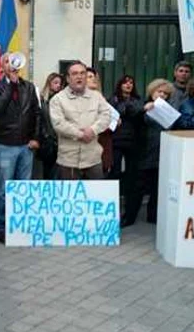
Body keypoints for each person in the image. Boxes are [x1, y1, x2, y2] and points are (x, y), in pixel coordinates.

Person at [0, 52, 40, 243]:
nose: (11, 64)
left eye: (13, 61)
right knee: (4, 189)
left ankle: (21, 224)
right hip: (5, 144)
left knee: (23, 188)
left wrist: (35, 137)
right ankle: (2, 226)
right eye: (7, 61)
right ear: (2, 67)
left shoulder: (29, 87)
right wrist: (10, 85)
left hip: (26, 145)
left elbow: (37, 113)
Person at [122, 79, 174, 226]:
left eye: (165, 93)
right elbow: (132, 117)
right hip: (143, 151)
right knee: (137, 187)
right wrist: (144, 109)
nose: (162, 95)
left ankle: (153, 216)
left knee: (157, 187)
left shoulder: (168, 108)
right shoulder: (141, 104)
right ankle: (129, 216)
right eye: (159, 92)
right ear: (152, 92)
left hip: (161, 151)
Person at [49, 60, 111, 180]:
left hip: (93, 158)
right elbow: (59, 124)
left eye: (82, 73)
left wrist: (92, 130)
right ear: (67, 78)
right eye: (75, 74)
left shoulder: (97, 97)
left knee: (96, 195)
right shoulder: (58, 100)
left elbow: (106, 116)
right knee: (71, 197)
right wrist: (80, 134)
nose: (79, 77)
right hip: (69, 160)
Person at [109, 75, 144, 212]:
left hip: (133, 140)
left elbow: (138, 115)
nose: (128, 85)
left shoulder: (137, 100)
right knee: (115, 172)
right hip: (117, 140)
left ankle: (128, 206)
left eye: (131, 82)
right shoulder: (113, 99)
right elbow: (118, 112)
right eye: (125, 83)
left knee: (131, 174)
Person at [38, 72, 63, 180]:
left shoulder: (62, 99)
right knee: (47, 172)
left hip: (60, 140)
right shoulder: (41, 100)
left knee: (59, 172)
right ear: (49, 83)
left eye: (60, 83)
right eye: (55, 82)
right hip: (47, 141)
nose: (58, 85)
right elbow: (39, 119)